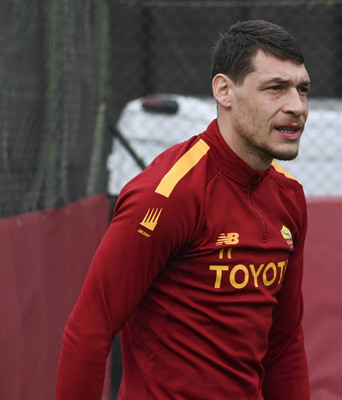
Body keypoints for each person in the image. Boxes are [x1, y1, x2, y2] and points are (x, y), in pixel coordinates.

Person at [56, 20, 311, 400]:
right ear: (224, 90)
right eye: (275, 88)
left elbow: (284, 343)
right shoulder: (166, 195)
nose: (296, 106)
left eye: (302, 89)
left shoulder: (289, 196)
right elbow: (90, 330)